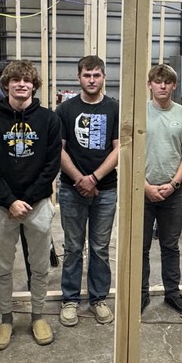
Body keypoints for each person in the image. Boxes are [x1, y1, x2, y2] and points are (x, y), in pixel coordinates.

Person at [0, 60, 62, 350]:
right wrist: (9, 200)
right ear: (6, 84)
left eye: (27, 81)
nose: (21, 84)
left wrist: (29, 199)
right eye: (16, 80)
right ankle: (5, 319)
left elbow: (51, 164)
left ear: (34, 86)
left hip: (37, 205)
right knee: (2, 267)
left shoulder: (48, 119)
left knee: (39, 267)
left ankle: (38, 316)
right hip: (1, 205)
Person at [57, 55, 120, 327]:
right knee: (72, 247)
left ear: (103, 77)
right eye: (87, 75)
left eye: (96, 75)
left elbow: (120, 148)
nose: (92, 80)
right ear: (78, 77)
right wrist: (80, 179)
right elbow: (57, 149)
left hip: (105, 189)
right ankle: (70, 299)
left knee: (100, 248)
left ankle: (98, 299)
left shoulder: (114, 108)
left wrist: (93, 178)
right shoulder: (65, 110)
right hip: (71, 189)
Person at [142, 64, 182, 315]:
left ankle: (172, 293)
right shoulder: (137, 112)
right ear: (150, 85)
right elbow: (126, 152)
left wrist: (174, 184)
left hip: (172, 193)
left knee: (170, 245)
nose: (162, 86)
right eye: (157, 81)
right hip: (141, 192)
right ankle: (140, 293)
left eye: (167, 82)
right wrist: (144, 186)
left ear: (174, 85)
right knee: (140, 246)